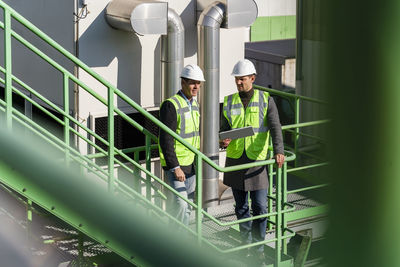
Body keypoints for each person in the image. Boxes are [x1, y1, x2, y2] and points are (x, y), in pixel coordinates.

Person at [220, 59, 285, 261]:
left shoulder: (266, 99)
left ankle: (258, 249)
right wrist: (223, 141)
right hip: (236, 161)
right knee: (241, 208)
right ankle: (244, 246)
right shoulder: (229, 101)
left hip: (258, 161)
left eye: (242, 79)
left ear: (252, 79)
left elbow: (275, 127)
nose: (239, 83)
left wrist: (279, 150)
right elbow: (223, 130)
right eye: (237, 80)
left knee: (260, 208)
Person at [158, 64, 205, 225]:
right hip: (176, 166)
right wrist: (175, 166)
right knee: (181, 204)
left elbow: (193, 135)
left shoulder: (195, 104)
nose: (196, 87)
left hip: (190, 164)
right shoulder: (171, 105)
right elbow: (165, 139)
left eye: (198, 83)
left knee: (187, 206)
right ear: (183, 82)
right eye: (193, 83)